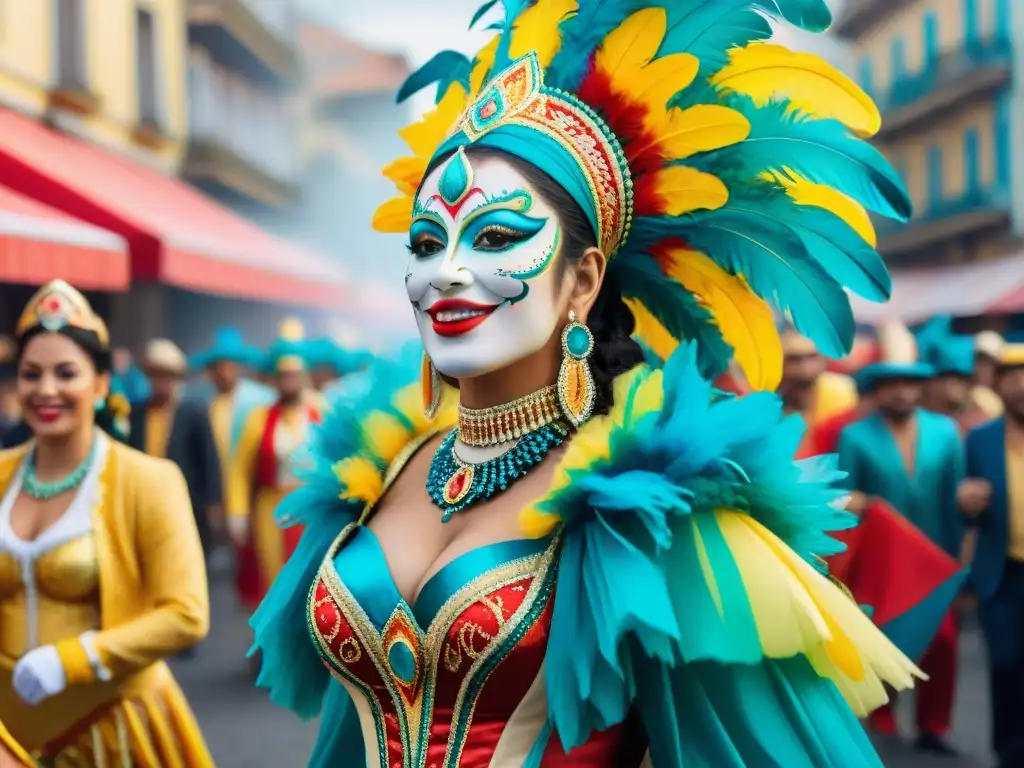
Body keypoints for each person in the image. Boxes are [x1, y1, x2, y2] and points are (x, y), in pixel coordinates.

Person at [250, 2, 939, 764]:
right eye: (424, 242)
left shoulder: (650, 509)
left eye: (497, 236)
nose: (445, 270)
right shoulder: (378, 470)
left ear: (582, 281)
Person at [0, 280, 212, 765]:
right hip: (8, 736)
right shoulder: (2, 476)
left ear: (100, 385)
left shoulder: (148, 480)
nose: (46, 389)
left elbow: (186, 614)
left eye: (66, 373)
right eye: (32, 374)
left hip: (108, 728)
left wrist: (75, 658)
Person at [837, 321, 964, 753]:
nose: (900, 392)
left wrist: (959, 569)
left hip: (935, 559)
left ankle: (934, 726)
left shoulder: (946, 433)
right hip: (881, 563)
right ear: (878, 387)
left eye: (908, 383)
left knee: (943, 644)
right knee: (884, 641)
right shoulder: (855, 435)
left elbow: (953, 502)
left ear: (920, 386)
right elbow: (847, 501)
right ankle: (885, 723)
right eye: (891, 383)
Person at [228, 319, 322, 613]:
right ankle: (274, 648)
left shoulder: (321, 412)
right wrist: (237, 513)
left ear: (303, 375)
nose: (288, 380)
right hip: (271, 511)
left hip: (313, 512)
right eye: (283, 375)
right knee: (274, 581)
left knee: (313, 581)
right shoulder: (258, 418)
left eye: (293, 374)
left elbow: (339, 461)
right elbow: (239, 471)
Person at [961, 343, 1024, 768]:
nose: (1021, 385)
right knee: (1005, 667)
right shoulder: (980, 439)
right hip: (1003, 574)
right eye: (1011, 376)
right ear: (996, 384)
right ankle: (1009, 755)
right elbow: (960, 501)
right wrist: (963, 499)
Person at [128, 339, 222, 555]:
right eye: (156, 374)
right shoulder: (137, 413)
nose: (161, 381)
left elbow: (209, 460)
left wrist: (213, 504)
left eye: (167, 375)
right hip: (144, 501)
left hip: (186, 502)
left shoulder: (193, 413)